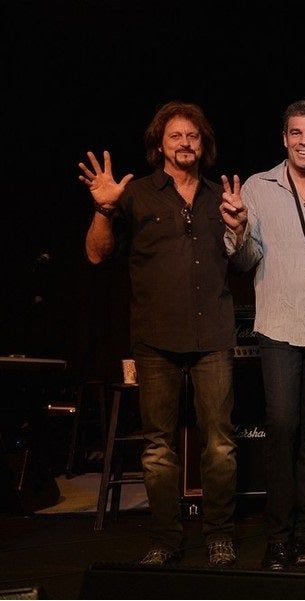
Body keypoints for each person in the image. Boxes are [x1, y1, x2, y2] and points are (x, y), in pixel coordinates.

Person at [80, 101, 243, 567]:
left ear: (204, 145)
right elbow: (96, 254)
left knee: (220, 445)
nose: (185, 143)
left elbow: (242, 260)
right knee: (158, 448)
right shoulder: (135, 195)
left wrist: (240, 228)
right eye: (176, 136)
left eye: (193, 136)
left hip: (213, 335)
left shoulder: (220, 196)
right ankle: (166, 539)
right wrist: (104, 210)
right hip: (155, 339)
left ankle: (219, 535)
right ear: (159, 145)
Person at [225, 100, 305, 570]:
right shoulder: (257, 188)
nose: (304, 141)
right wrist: (238, 230)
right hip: (279, 325)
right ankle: (277, 536)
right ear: (284, 138)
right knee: (282, 428)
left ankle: (304, 535)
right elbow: (244, 262)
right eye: (296, 133)